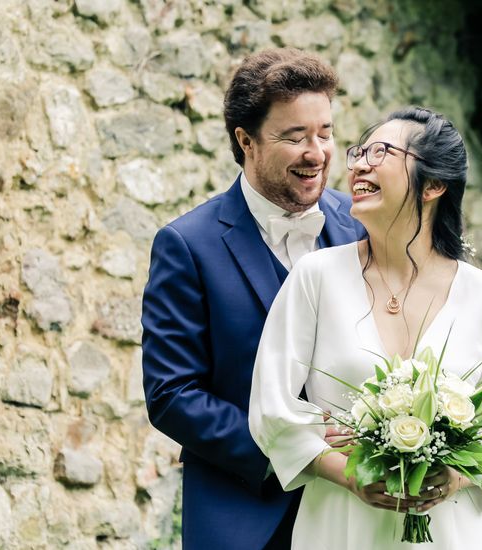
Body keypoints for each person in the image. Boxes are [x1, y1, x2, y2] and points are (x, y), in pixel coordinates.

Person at [249, 107, 482, 549]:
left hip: (448, 531)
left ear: (435, 185)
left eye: (381, 152)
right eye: (360, 152)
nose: (360, 163)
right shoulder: (316, 276)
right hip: (340, 525)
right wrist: (348, 475)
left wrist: (455, 478)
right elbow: (271, 408)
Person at [141, 48, 366, 550]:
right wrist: (295, 450)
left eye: (325, 133)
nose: (317, 153)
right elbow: (172, 394)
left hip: (359, 513)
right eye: (294, 137)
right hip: (246, 513)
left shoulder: (361, 224)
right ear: (246, 141)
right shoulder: (187, 245)